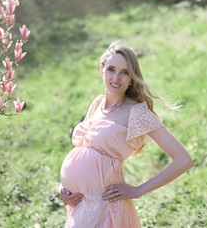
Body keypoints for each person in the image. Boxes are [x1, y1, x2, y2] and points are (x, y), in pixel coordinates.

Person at [59, 41, 193, 228]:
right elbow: (83, 154)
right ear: (102, 71)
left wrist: (139, 190)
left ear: (132, 78)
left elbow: (183, 160)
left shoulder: (137, 112)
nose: (116, 77)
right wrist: (64, 190)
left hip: (106, 208)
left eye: (125, 72)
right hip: (81, 206)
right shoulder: (97, 104)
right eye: (111, 69)